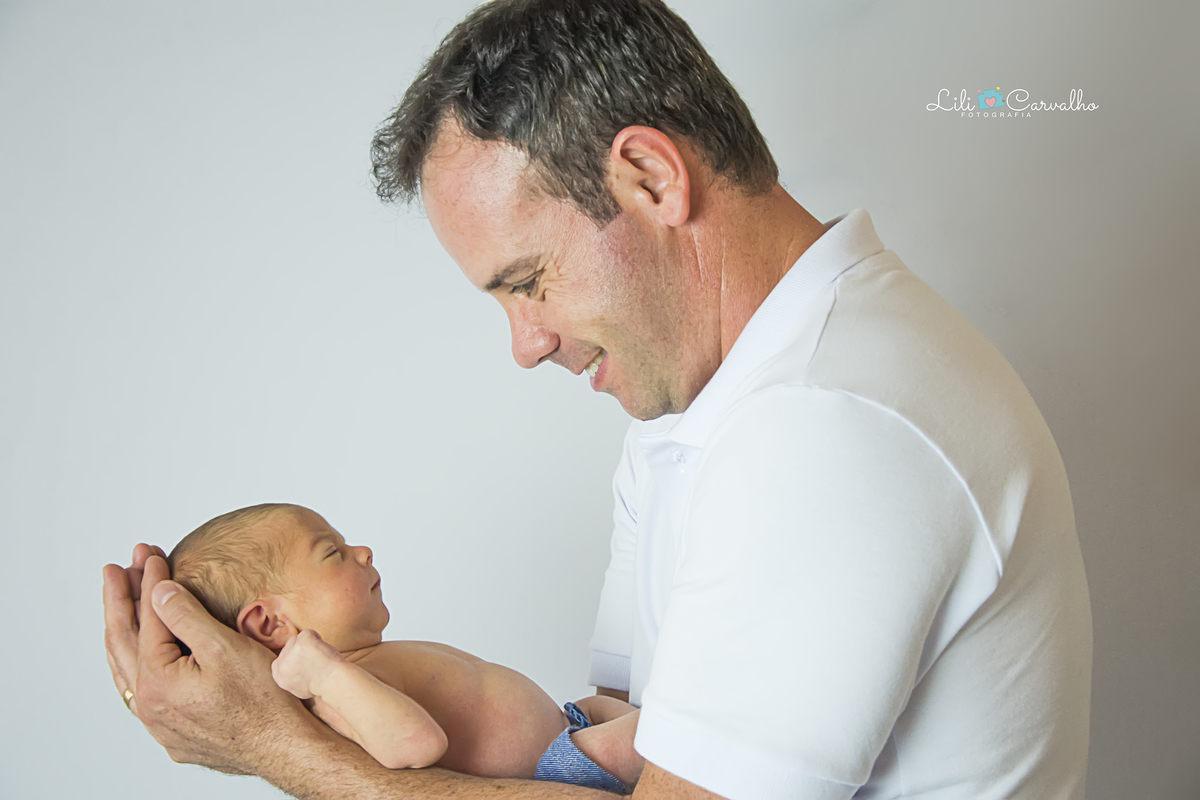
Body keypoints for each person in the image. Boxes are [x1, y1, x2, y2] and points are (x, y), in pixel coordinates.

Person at [103, 1, 1093, 798]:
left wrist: (283, 748)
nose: (527, 345)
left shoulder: (826, 424)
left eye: (529, 280)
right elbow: (609, 731)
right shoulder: (693, 411)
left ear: (653, 177)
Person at [165, 502, 642, 792]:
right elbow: (415, 745)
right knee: (670, 736)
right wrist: (328, 675)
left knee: (631, 709)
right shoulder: (330, 696)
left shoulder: (363, 664)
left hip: (572, 726)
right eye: (332, 553)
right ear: (269, 623)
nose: (363, 552)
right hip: (559, 769)